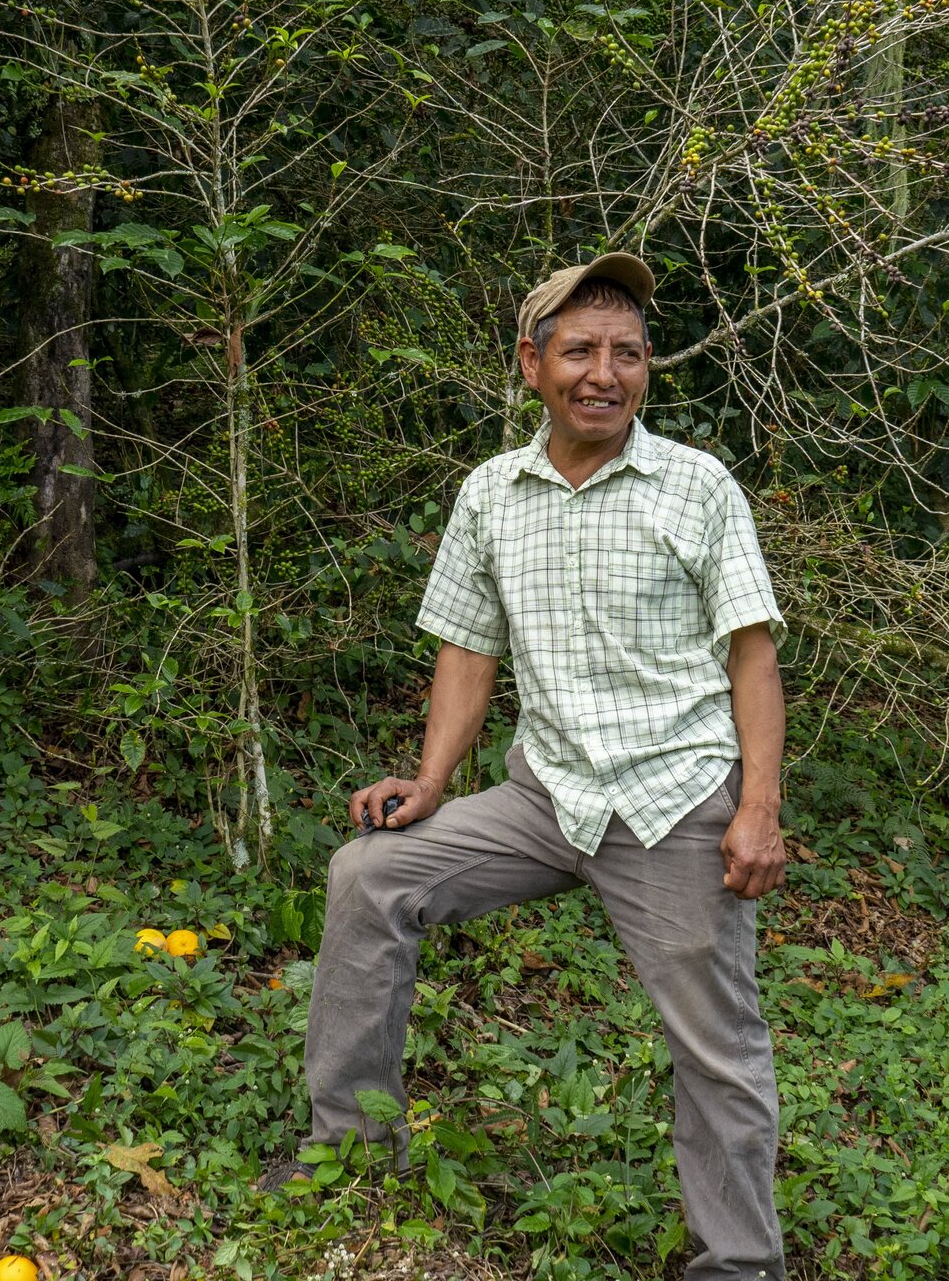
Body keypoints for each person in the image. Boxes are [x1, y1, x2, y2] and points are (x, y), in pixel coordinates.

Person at [267, 254, 792, 1280]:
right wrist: (427, 783)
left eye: (627, 354)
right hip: (543, 794)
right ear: (531, 364)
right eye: (580, 350)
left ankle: (738, 1263)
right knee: (369, 876)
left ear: (647, 370)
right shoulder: (490, 494)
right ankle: (350, 1153)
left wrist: (757, 808)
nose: (604, 373)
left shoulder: (696, 485)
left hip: (672, 799)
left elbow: (751, 652)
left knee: (718, 1042)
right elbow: (467, 646)